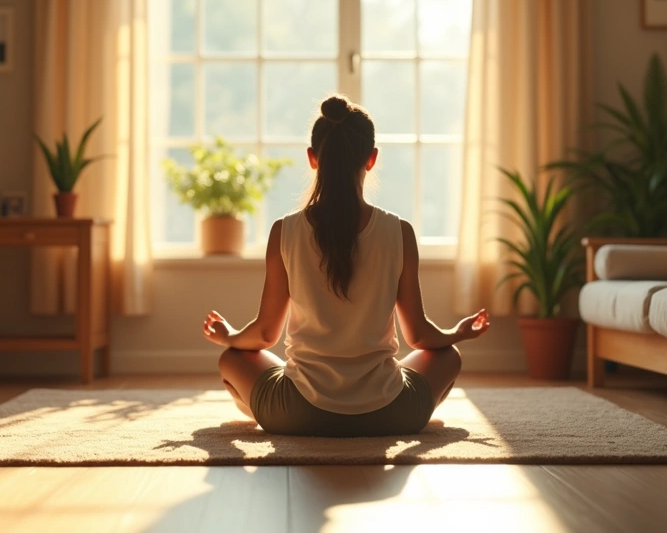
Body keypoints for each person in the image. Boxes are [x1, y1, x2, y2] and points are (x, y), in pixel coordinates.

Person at [201, 94, 490, 437]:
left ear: (312, 158)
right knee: (449, 356)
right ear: (371, 159)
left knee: (232, 359)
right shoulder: (399, 232)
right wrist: (459, 332)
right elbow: (420, 336)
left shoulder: (285, 231)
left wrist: (229, 337)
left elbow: (264, 335)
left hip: (298, 412)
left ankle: (271, 414)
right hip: (390, 413)